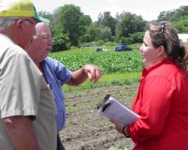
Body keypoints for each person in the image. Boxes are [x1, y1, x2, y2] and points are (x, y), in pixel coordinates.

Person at [111, 21, 188, 150]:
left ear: (160, 50)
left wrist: (126, 130)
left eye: (145, 44)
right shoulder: (179, 72)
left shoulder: (159, 77)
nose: (140, 48)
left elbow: (149, 126)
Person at [27, 22, 102, 150]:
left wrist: (85, 70)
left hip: (54, 137)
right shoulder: (21, 67)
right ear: (30, 39)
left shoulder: (49, 63)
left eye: (51, 37)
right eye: (46, 38)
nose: (50, 42)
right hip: (33, 140)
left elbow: (72, 79)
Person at [0, 0, 57, 150]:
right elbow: (15, 120)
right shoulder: (13, 54)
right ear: (20, 24)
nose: (34, 33)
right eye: (33, 25)